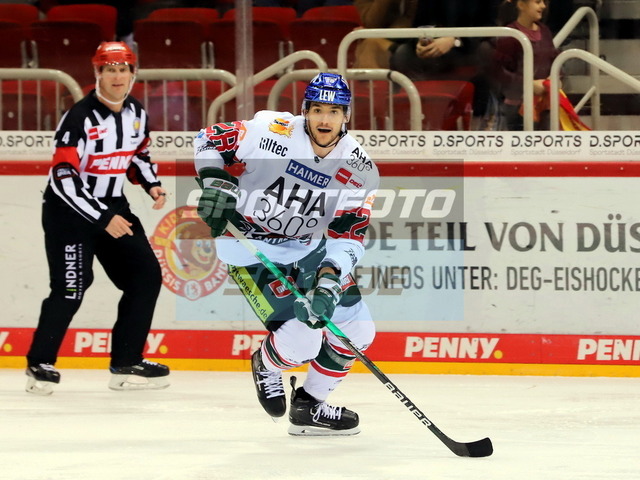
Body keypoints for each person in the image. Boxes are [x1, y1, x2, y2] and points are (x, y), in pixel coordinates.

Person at [194, 73, 379, 436]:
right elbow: (208, 139)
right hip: (249, 246)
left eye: (334, 111)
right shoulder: (270, 131)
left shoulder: (360, 169)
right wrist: (215, 182)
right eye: (317, 109)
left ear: (346, 116)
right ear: (305, 110)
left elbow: (348, 235)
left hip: (308, 248)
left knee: (358, 329)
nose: (325, 120)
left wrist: (329, 281)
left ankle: (309, 406)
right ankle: (266, 364)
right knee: (303, 342)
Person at [25, 41, 170, 395]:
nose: (117, 77)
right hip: (68, 213)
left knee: (145, 276)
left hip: (112, 207)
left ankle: (126, 362)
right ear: (98, 74)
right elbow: (63, 177)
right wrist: (103, 217)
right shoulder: (79, 117)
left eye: (123, 69)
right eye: (109, 70)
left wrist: (151, 184)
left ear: (133, 74)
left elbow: (138, 155)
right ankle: (39, 365)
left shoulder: (136, 113)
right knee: (71, 287)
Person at [492, 0, 560, 130]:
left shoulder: (544, 31)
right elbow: (499, 71)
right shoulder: (510, 34)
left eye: (543, 2)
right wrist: (528, 84)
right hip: (517, 107)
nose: (543, 6)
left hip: (544, 104)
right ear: (521, 5)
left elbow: (554, 59)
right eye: (537, 2)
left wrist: (556, 77)